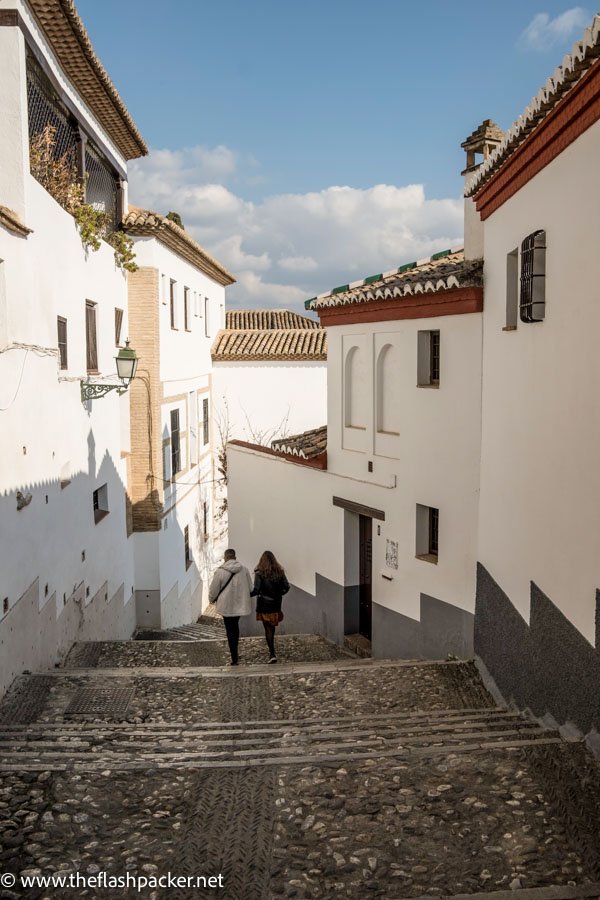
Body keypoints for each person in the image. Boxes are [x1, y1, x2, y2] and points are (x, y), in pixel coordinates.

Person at [208, 548, 252, 666]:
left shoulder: (220, 572)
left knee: (229, 630)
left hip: (226, 606)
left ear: (225, 558)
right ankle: (235, 651)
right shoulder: (244, 570)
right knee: (235, 627)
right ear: (235, 558)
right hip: (239, 605)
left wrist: (211, 599)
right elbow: (251, 588)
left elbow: (214, 589)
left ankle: (234, 657)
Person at [251, 550, 289, 663]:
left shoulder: (259, 573)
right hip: (275, 605)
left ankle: (272, 653)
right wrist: (278, 595)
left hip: (264, 605)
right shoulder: (280, 572)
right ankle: (272, 653)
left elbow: (256, 590)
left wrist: (246, 594)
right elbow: (286, 587)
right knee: (271, 628)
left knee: (267, 629)